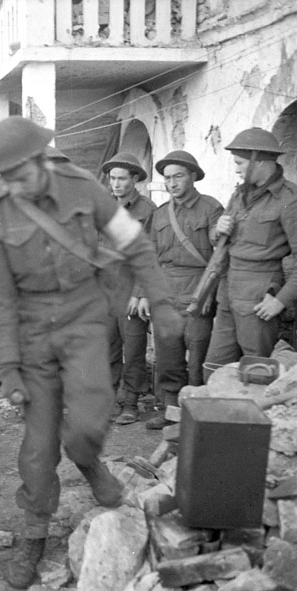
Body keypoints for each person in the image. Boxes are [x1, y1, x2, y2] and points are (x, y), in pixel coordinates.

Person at [0, 116, 182, 589]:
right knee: (38, 445)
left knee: (91, 418)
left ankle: (87, 459)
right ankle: (33, 534)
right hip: (31, 336)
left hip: (83, 322)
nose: (12, 184)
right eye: (3, 177)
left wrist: (161, 298)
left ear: (38, 161)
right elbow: (1, 299)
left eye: (18, 173)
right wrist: (8, 365)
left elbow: (133, 242)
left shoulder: (83, 187)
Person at [145, 150, 224, 429]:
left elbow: (221, 251)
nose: (172, 183)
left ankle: (196, 412)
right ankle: (169, 410)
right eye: (167, 178)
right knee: (168, 356)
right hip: (166, 291)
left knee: (199, 353)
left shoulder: (211, 208)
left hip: (198, 289)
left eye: (178, 176)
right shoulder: (159, 214)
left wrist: (209, 293)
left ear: (193, 176)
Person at [205, 128, 297, 365]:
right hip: (228, 287)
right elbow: (218, 240)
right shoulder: (239, 195)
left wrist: (281, 300)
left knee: (256, 367)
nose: (236, 169)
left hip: (260, 291)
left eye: (240, 163)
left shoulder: (290, 199)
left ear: (259, 161)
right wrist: (217, 229)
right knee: (214, 365)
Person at [101, 152, 156, 425]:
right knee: (108, 347)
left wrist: (140, 292)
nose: (116, 184)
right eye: (112, 178)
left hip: (131, 290)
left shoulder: (147, 210)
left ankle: (131, 402)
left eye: (122, 178)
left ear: (135, 179)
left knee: (134, 348)